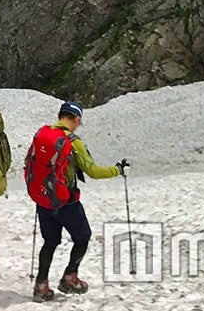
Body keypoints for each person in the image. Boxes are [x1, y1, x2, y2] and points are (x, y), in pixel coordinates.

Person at [24, 101, 128, 301]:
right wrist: (118, 169)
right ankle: (70, 277)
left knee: (50, 242)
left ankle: (41, 286)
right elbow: (93, 171)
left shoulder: (42, 135)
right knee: (83, 236)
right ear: (77, 118)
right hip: (66, 202)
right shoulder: (72, 141)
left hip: (43, 200)